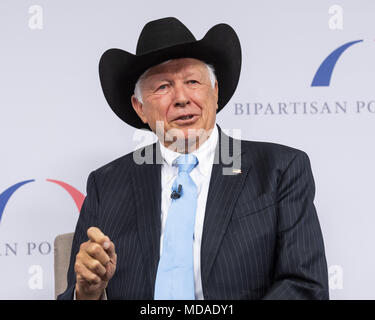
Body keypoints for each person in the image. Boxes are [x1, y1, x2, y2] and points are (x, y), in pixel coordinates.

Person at [58, 17, 329, 300]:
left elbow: (305, 286)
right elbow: (74, 294)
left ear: (215, 92)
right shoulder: (106, 184)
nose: (181, 98)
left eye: (193, 81)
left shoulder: (279, 169)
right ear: (140, 108)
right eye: (162, 86)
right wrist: (87, 293)